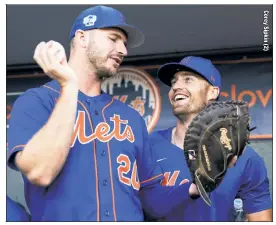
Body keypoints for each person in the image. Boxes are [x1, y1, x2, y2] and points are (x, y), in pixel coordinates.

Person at [7, 6, 219, 221]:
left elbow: (152, 201)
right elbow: (39, 172)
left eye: (124, 44)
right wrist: (69, 86)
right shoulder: (37, 102)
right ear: (82, 37)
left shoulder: (131, 118)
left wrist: (194, 188)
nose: (123, 50)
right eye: (113, 38)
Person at [148, 56, 273, 221]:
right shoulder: (147, 146)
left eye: (188, 80)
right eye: (173, 82)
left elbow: (261, 219)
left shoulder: (242, 158)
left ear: (212, 92)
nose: (176, 87)